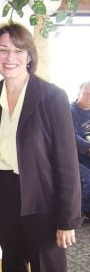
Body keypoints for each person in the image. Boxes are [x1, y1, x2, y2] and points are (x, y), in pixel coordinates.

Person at [0, 23, 82, 272]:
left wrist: (67, 219)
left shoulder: (51, 96)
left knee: (48, 265)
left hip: (42, 196)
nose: (10, 57)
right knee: (12, 261)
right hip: (3, 193)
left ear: (29, 56)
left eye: (18, 50)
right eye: (3, 50)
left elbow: (67, 162)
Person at [70, 81, 90, 220]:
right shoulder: (69, 111)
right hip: (70, 155)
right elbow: (71, 137)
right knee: (87, 178)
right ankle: (82, 211)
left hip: (86, 154)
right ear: (79, 92)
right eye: (87, 93)